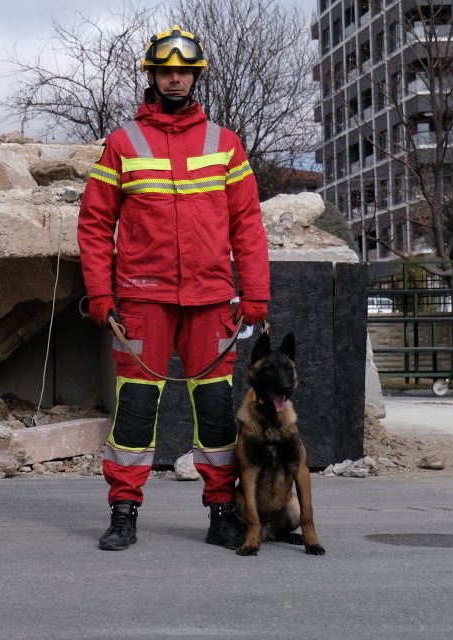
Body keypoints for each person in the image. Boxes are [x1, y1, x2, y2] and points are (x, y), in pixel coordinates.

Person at [77, 26, 270, 551]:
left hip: (210, 300)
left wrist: (255, 293)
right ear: (153, 76)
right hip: (142, 300)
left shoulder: (225, 144)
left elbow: (247, 224)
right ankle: (123, 512)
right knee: (136, 409)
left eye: (184, 71)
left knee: (214, 411)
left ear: (196, 76)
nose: (176, 79)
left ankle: (222, 512)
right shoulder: (122, 143)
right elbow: (95, 224)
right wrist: (100, 293)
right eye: (167, 70)